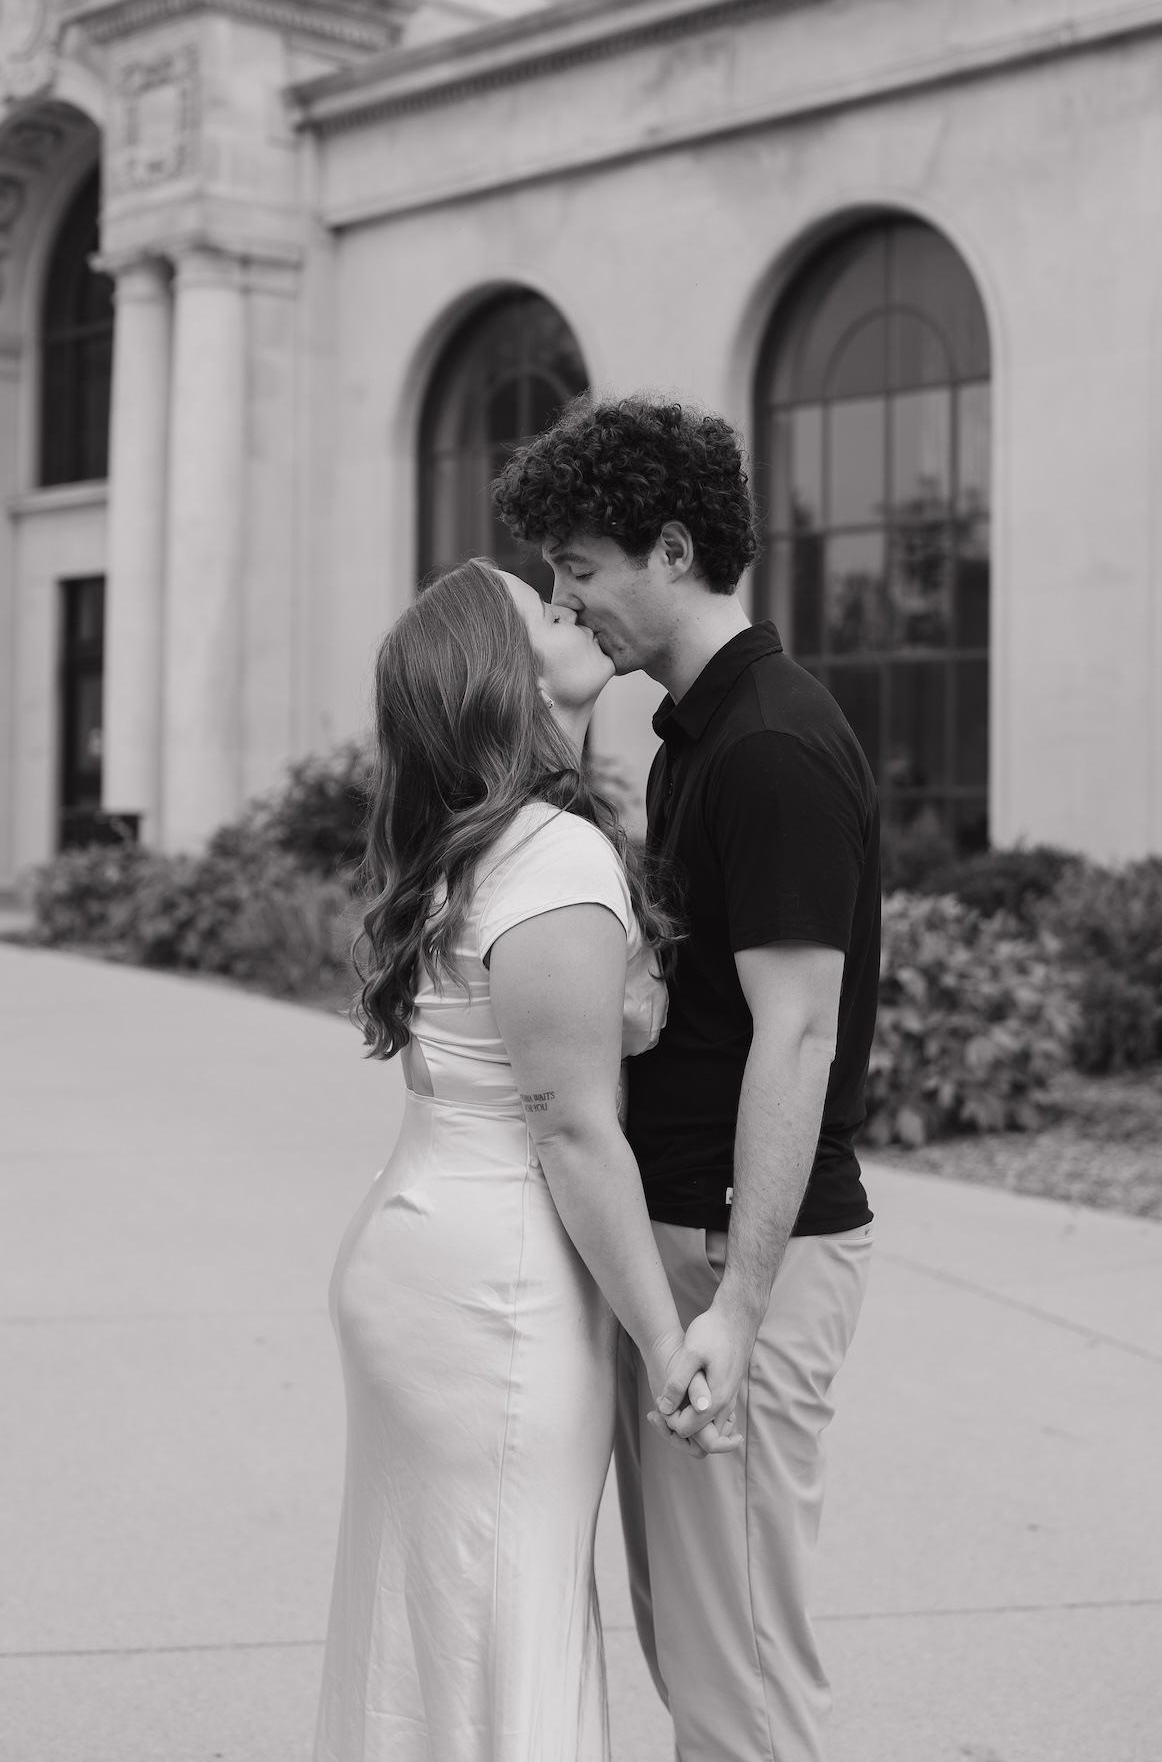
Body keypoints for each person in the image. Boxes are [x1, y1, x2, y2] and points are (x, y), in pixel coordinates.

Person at [494, 396, 881, 1762]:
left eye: (579, 568)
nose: (563, 599)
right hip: (695, 1246)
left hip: (737, 1252)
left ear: (670, 550)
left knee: (744, 1688)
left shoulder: (768, 746)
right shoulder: (700, 734)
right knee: (703, 1665)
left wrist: (742, 1303)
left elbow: (799, 1038)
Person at [312, 558, 736, 1762]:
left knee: (444, 1631)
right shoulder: (546, 854)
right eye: (535, 608)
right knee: (503, 1622)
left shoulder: (486, 845)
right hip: (489, 1291)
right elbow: (571, 1127)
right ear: (499, 675)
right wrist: (665, 1342)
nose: (564, 605)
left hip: (431, 1253)